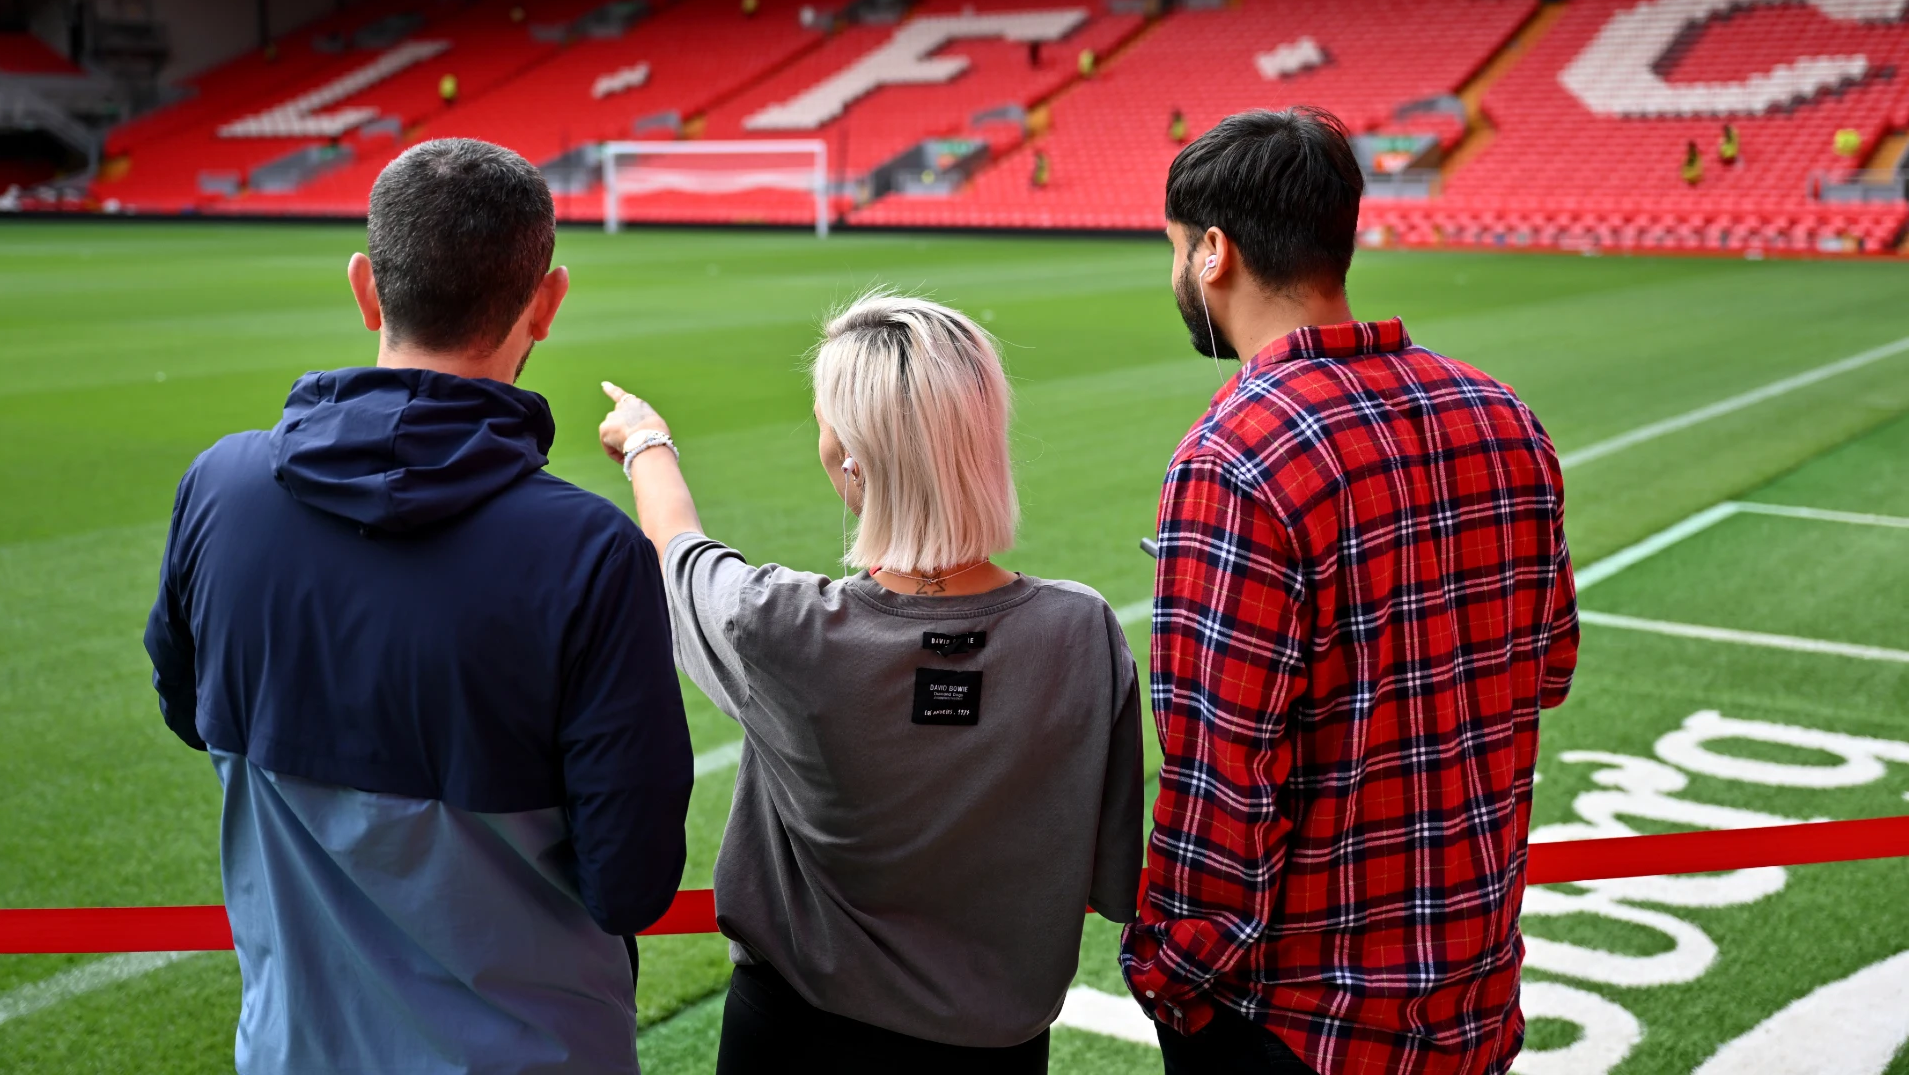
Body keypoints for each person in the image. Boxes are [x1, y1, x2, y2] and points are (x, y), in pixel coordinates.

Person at [144, 138, 694, 1075]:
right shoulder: (590, 553)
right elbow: (630, 883)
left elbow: (189, 712)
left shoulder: (219, 489)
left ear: (366, 288)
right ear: (547, 303)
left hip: (291, 1051)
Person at [1122, 108, 1577, 1074]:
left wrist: (1169, 972)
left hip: (1302, 1022)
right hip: (1474, 999)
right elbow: (1550, 670)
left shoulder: (1237, 458)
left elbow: (1222, 777)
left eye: (1174, 250)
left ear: (1213, 252)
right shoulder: (1504, 415)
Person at [597, 293, 1144, 1074]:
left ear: (851, 456)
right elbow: (1113, 878)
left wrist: (647, 442)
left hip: (792, 1044)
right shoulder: (1082, 632)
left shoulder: (781, 626)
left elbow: (678, 553)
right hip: (999, 1055)